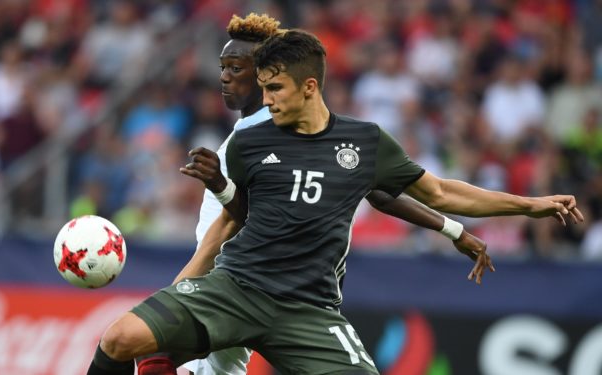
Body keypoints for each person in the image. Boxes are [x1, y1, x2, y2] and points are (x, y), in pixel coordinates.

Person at [86, 29, 584, 375]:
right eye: (263, 88)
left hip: (309, 309)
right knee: (118, 340)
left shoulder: (363, 143)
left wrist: (527, 205)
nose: (268, 99)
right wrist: (180, 291)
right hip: (235, 289)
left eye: (276, 88)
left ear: (309, 87)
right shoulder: (247, 144)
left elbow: (440, 191)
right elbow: (226, 224)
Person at [136, 13, 493, 375]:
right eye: (222, 67)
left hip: (243, 285)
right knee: (166, 357)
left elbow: (378, 192)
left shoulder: (282, 135)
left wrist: (453, 229)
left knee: (160, 351)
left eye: (236, 67)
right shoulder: (245, 136)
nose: (225, 77)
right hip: (236, 286)